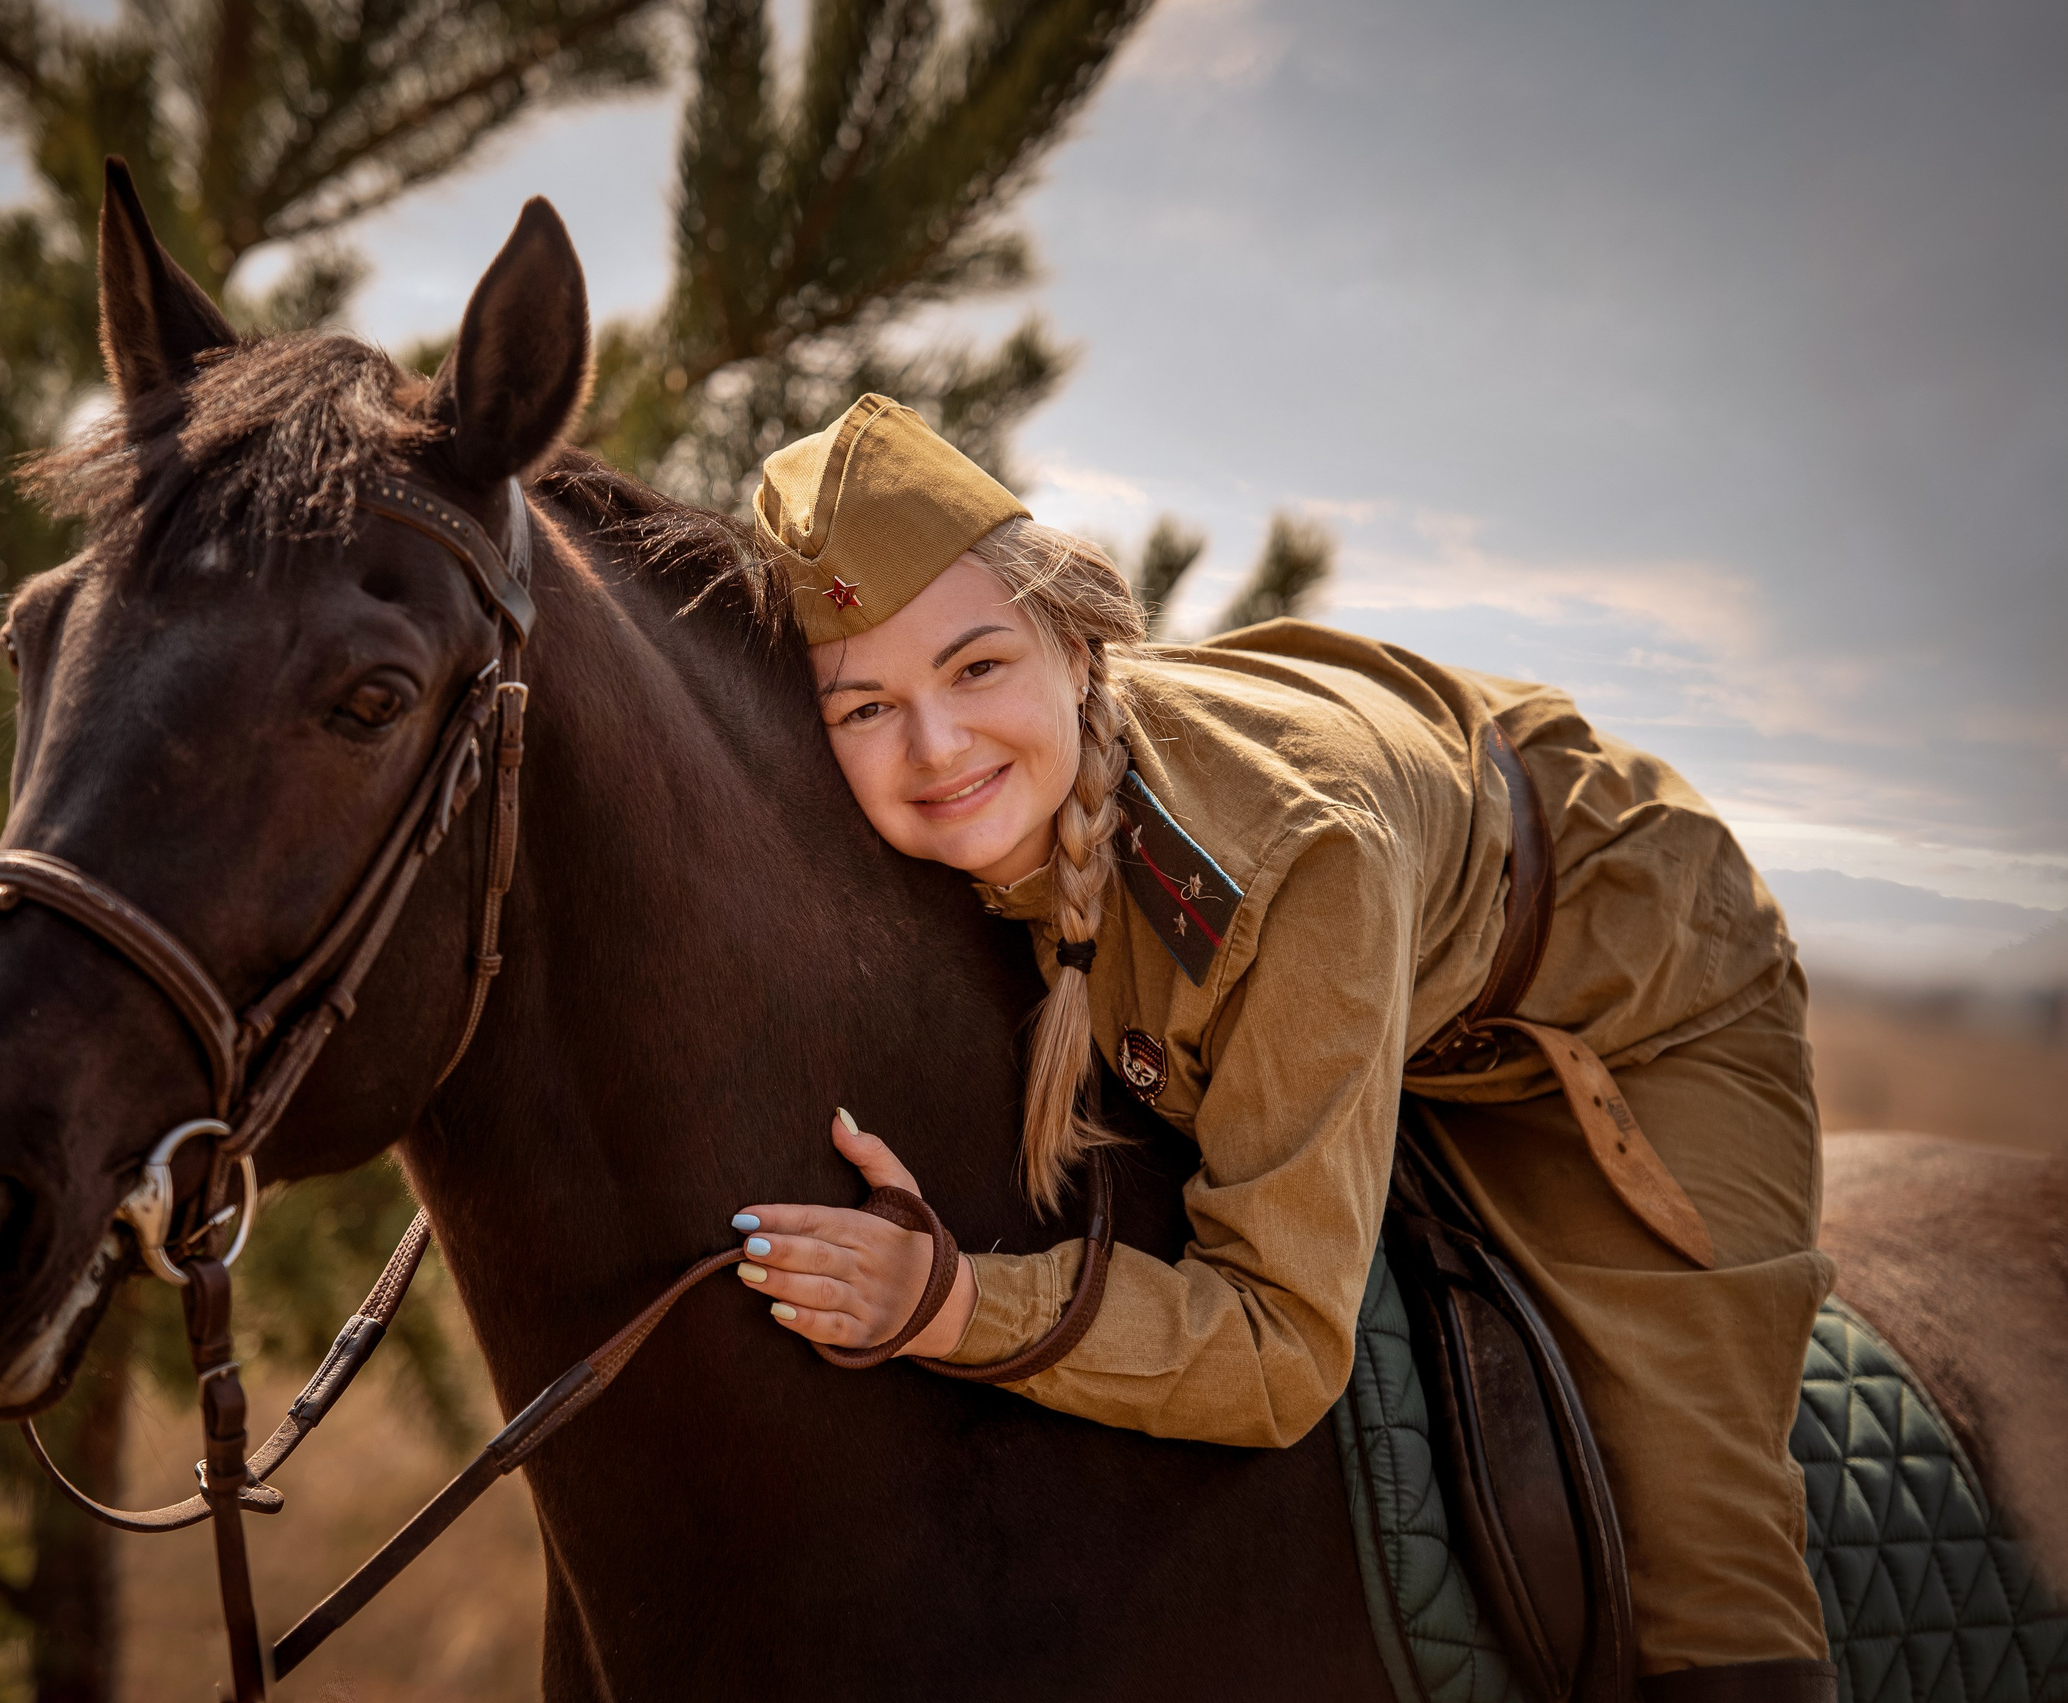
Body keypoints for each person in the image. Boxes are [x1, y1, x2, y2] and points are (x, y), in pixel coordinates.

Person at [725, 394, 1837, 1701]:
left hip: (1633, 979)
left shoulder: (1283, 870)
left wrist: (956, 1305)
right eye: (864, 708)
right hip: (1393, 895)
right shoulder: (963, 810)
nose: (936, 746)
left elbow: (1281, 1356)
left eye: (978, 668)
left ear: (1078, 651)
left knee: (1693, 1540)